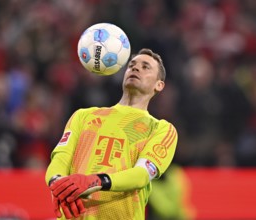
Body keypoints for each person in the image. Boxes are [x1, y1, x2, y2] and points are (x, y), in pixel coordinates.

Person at [45, 48, 178, 220]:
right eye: (131, 65)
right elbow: (60, 159)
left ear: (159, 85)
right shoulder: (84, 115)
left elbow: (141, 175)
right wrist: (58, 185)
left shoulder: (161, 129)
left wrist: (96, 181)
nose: (136, 68)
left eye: (146, 67)